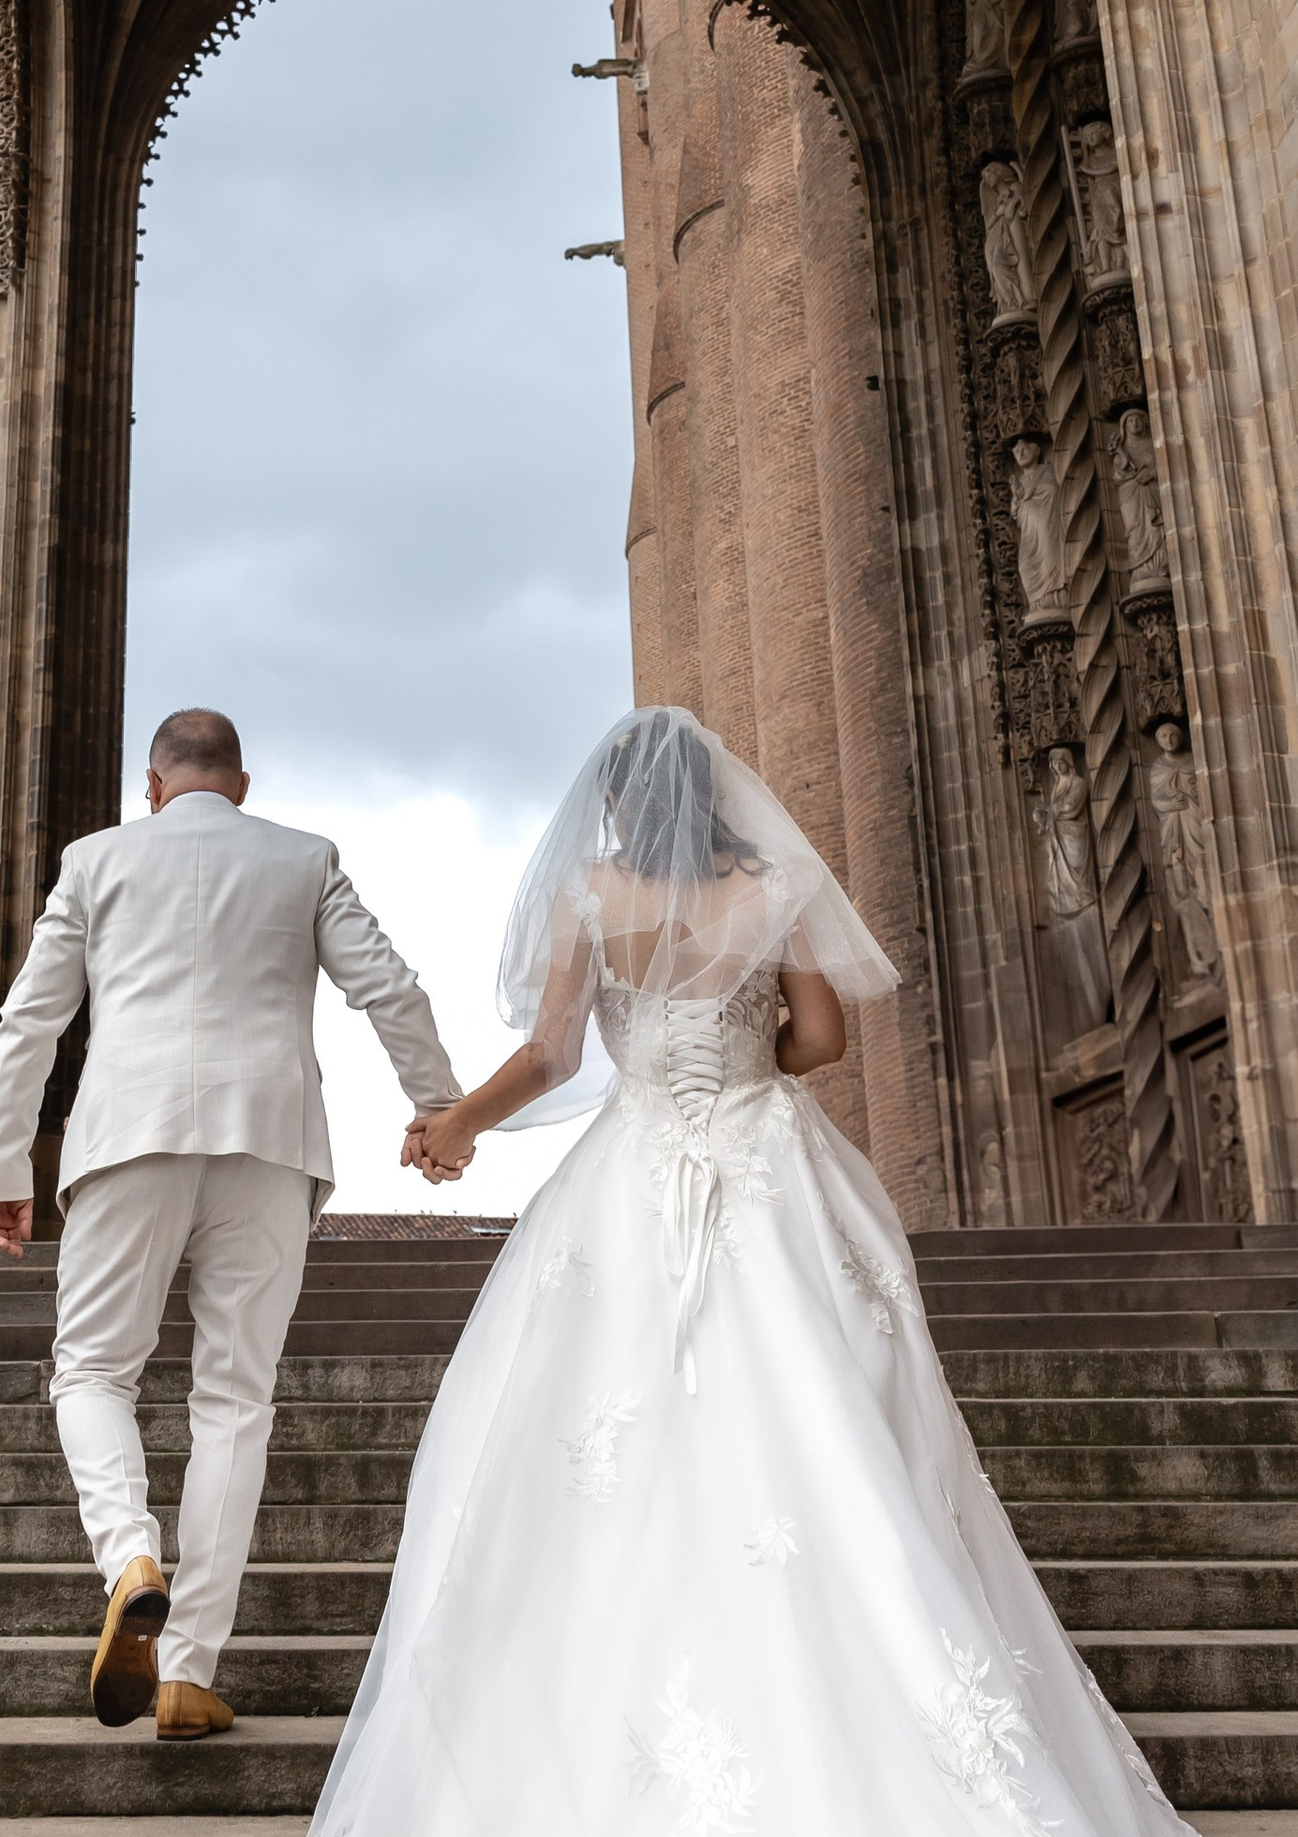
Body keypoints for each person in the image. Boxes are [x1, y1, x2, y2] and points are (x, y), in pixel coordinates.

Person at [310, 705, 1196, 1837]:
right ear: (718, 793)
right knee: (817, 1400)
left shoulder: (592, 894)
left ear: (619, 801)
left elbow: (553, 1054)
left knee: (604, 1419)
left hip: (630, 1167)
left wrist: (455, 1126)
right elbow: (822, 1039)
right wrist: (741, 1062)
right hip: (764, 1155)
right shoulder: (774, 885)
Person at [0, 707, 463, 1741]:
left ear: (151, 787)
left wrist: (4, 1162)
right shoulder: (303, 857)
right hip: (270, 1142)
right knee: (234, 1398)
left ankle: (128, 1559)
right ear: (241, 785)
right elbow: (390, 988)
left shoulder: (95, 860)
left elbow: (31, 1019)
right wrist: (438, 1110)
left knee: (95, 1372)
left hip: (127, 1137)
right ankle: (188, 1670)